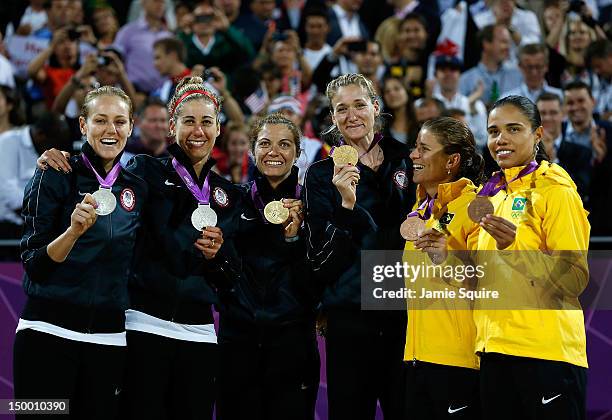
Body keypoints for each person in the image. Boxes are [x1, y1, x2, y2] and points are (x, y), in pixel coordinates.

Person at [36, 77, 240, 420]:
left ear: (218, 128)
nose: (198, 130)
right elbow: (102, 174)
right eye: (188, 121)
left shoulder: (228, 193)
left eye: (206, 121)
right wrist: (62, 155)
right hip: (143, 325)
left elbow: (230, 279)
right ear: (172, 126)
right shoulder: (143, 171)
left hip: (200, 332)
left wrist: (217, 256)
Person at [13, 86, 147, 419]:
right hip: (46, 335)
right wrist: (72, 232)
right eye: (100, 120)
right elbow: (35, 266)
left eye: (119, 121)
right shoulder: (53, 173)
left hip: (108, 340)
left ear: (131, 126)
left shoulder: (138, 186)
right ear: (83, 125)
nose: (110, 130)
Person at [303, 73, 416, 419]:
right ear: (333, 118)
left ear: (375, 107)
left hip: (405, 312)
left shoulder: (407, 159)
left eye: (359, 105)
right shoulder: (322, 175)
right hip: (351, 315)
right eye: (341, 109)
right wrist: (345, 206)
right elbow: (320, 258)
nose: (351, 115)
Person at [475, 95, 589, 420]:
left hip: (546, 354)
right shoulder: (492, 196)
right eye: (494, 131)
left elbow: (574, 278)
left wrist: (515, 248)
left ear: (537, 134)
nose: (501, 140)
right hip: (494, 350)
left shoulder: (557, 192)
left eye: (513, 129)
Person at [215, 113, 320, 420]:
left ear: (298, 152)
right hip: (239, 340)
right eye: (265, 143)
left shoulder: (312, 207)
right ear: (252, 150)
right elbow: (221, 273)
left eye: (284, 144)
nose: (274, 151)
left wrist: (293, 241)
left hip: (292, 342)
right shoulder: (233, 201)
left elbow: (317, 281)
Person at [402, 117, 485, 419]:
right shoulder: (418, 211)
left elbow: (491, 283)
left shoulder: (477, 206)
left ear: (451, 160)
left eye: (423, 149)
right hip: (416, 358)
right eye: (415, 148)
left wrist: (446, 258)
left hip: (458, 361)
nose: (413, 155)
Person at [381, 75, 418, 145]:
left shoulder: (420, 123)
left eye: (397, 89)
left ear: (407, 91)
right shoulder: (379, 127)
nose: (392, 93)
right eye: (387, 91)